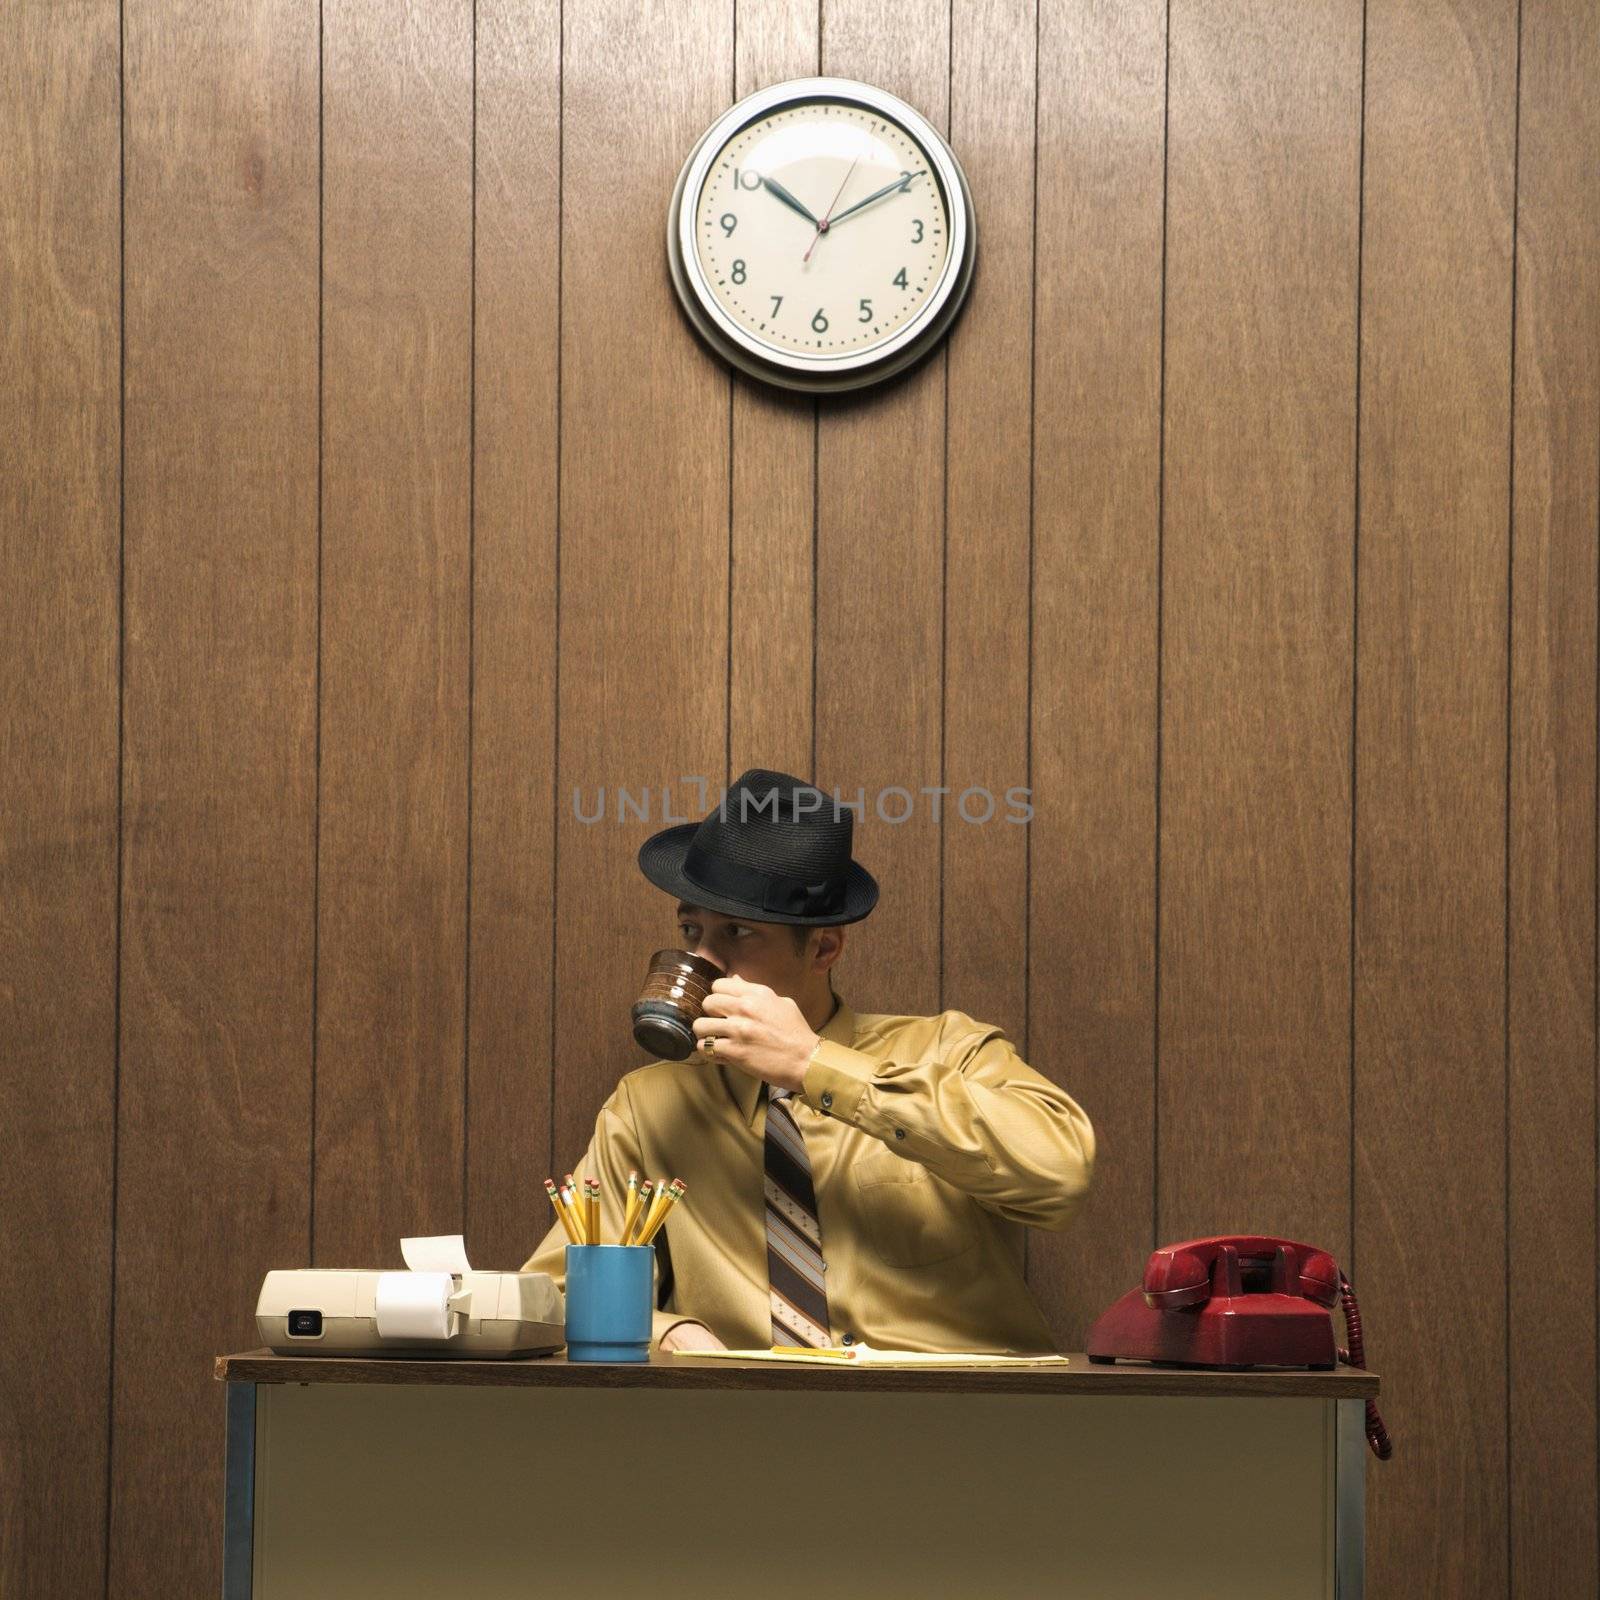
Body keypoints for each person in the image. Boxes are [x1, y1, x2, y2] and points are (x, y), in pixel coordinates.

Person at [519, 767, 1096, 1354]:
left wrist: (813, 1065)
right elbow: (549, 1297)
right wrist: (671, 1332)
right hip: (750, 1418)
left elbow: (1061, 1175)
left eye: (739, 932)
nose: (704, 960)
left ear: (823, 946)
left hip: (954, 1414)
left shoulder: (948, 1050)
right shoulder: (650, 1107)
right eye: (692, 929)